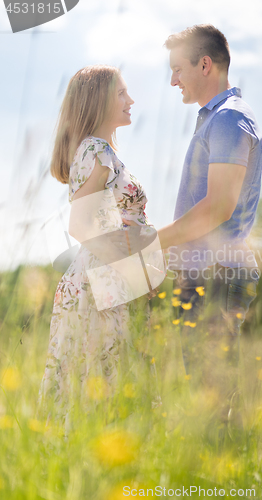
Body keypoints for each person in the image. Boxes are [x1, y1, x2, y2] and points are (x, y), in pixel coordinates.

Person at [37, 65, 164, 431]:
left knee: (98, 387)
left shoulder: (98, 150)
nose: (131, 100)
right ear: (99, 99)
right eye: (122, 93)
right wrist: (136, 275)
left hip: (104, 283)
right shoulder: (97, 150)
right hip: (102, 286)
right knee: (104, 390)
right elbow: (82, 225)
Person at [157, 25, 262, 418]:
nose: (172, 80)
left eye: (177, 69)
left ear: (204, 64)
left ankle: (227, 475)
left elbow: (219, 206)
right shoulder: (216, 119)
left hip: (215, 276)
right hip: (205, 273)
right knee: (207, 393)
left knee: (213, 399)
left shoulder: (228, 119)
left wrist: (153, 243)